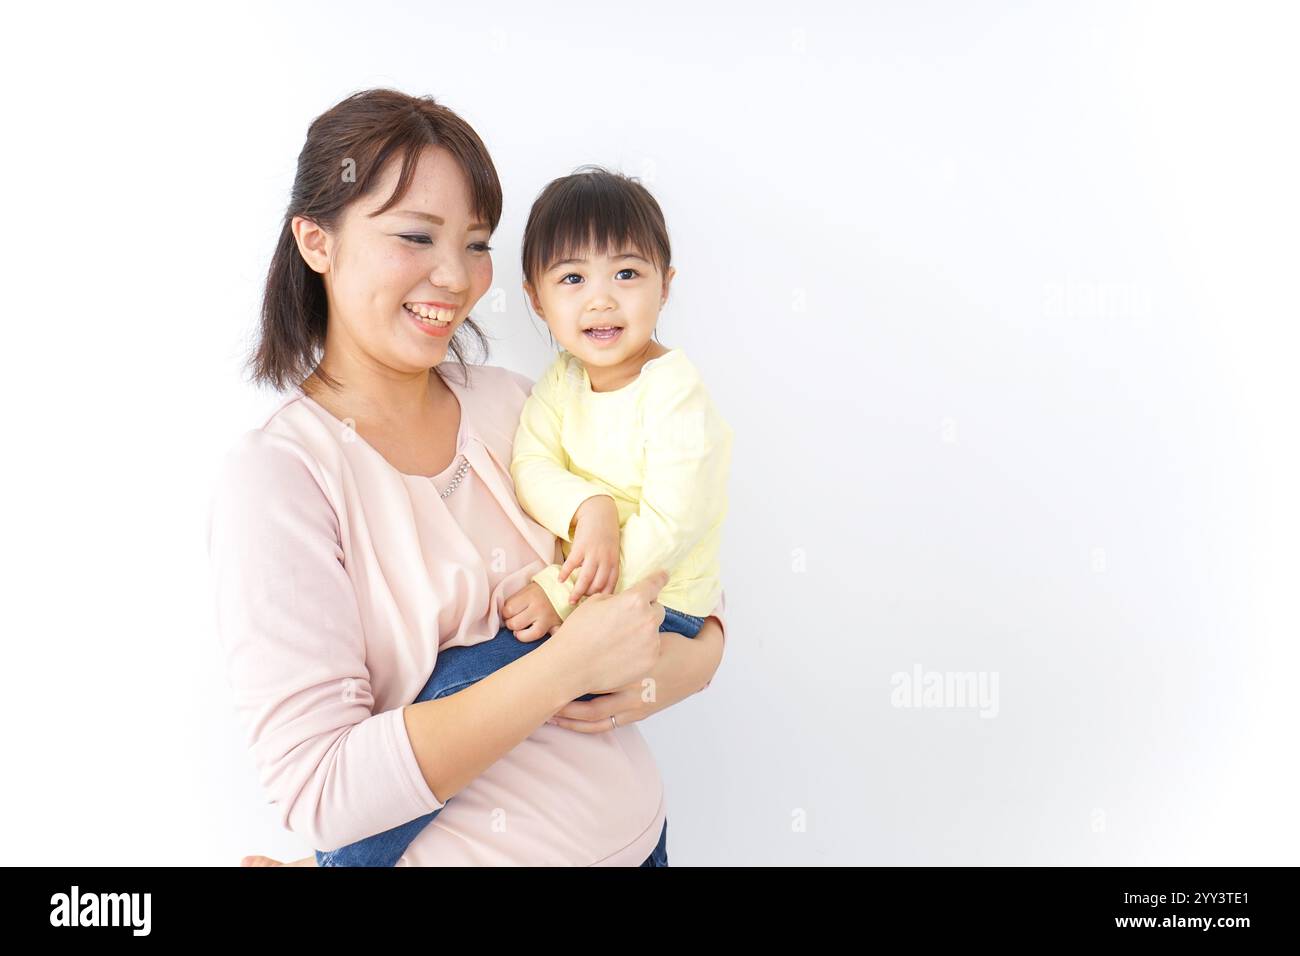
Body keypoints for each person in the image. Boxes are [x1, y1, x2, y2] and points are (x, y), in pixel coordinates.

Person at [207, 88, 729, 867]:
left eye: (477, 244)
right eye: (416, 236)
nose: (454, 276)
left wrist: (686, 666)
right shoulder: (282, 479)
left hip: (642, 845)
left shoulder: (518, 405)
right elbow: (319, 792)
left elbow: (690, 592)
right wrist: (566, 666)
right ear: (317, 242)